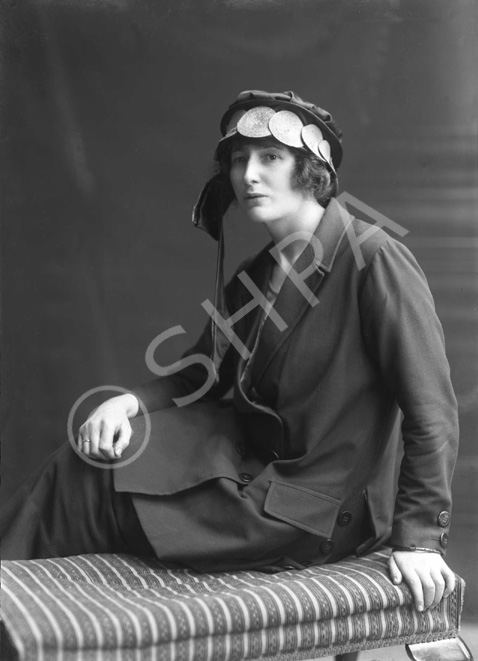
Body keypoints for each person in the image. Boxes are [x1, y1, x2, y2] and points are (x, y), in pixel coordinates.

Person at [1, 90, 458, 621]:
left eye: (270, 158)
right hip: (250, 465)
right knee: (90, 459)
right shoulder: (255, 276)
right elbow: (198, 374)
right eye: (239, 160)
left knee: (97, 485)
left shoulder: (374, 258)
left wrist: (421, 537)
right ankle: (20, 604)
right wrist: (127, 403)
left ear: (311, 169)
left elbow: (432, 412)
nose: (249, 175)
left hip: (318, 505)